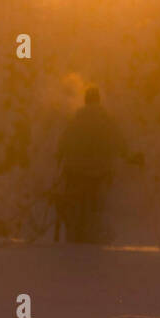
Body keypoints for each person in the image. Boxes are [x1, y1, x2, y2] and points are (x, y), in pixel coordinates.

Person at [55, 87, 127, 243]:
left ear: (86, 100)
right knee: (96, 206)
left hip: (74, 170)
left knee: (74, 203)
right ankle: (92, 237)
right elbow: (119, 140)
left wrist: (59, 156)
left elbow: (63, 141)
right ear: (98, 100)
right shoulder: (106, 119)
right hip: (99, 172)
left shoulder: (77, 119)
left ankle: (74, 235)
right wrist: (129, 156)